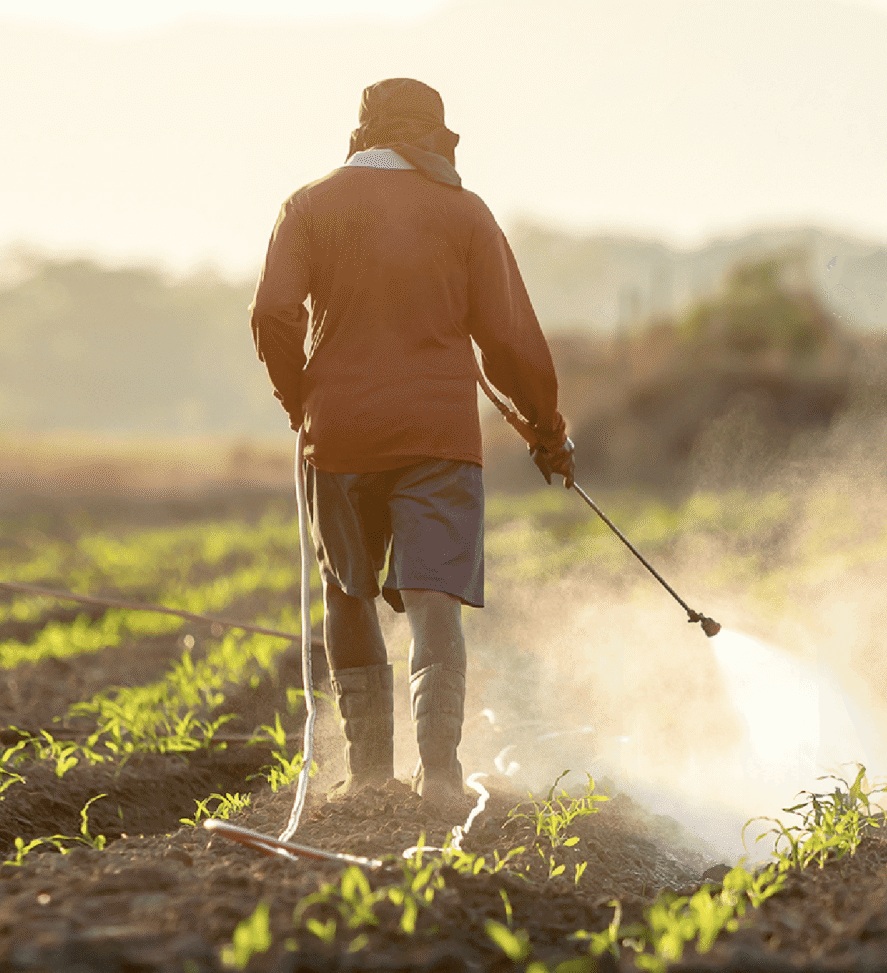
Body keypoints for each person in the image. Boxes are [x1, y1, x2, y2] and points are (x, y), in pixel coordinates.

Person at [250, 77, 573, 816]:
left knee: (348, 590)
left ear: (362, 133)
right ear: (433, 137)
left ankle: (367, 775)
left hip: (338, 436)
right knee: (434, 603)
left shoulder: (307, 204)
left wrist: (300, 399)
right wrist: (548, 432)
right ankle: (440, 776)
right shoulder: (464, 212)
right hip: (438, 436)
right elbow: (511, 340)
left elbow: (272, 311)